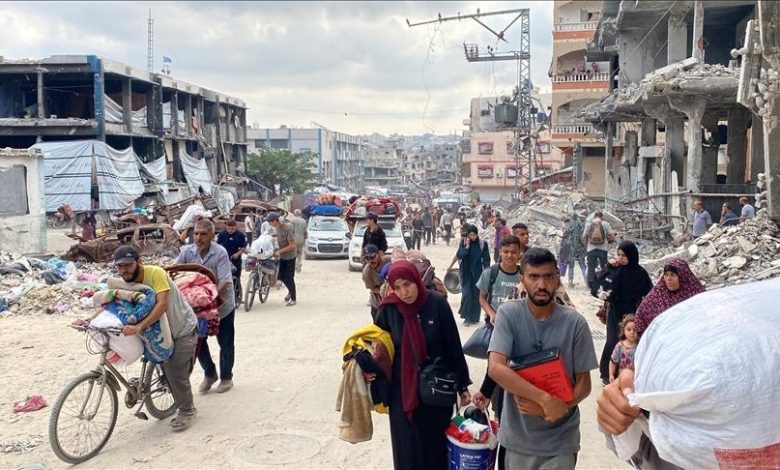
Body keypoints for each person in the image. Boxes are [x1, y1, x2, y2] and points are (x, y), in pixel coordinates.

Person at [487, 248, 598, 469]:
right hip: (517, 441)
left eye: (548, 276)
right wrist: (545, 400)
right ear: (522, 280)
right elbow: (496, 368)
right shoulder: (509, 314)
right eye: (533, 277)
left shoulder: (575, 324)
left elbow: (584, 384)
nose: (541, 284)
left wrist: (559, 407)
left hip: (560, 443)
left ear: (557, 278)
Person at [74, 246, 199, 431]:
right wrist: (88, 320)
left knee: (174, 372)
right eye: (120, 266)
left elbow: (162, 304)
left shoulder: (155, 273)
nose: (124, 270)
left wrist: (139, 326)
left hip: (181, 328)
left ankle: (187, 410)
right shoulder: (123, 282)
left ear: (139, 262)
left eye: (128, 265)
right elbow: (111, 303)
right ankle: (146, 384)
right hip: (156, 329)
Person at [374, 260, 472, 470]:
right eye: (397, 287)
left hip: (436, 387)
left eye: (407, 284)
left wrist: (462, 385)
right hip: (402, 390)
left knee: (435, 446)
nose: (404, 292)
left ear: (416, 280)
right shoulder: (388, 310)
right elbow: (379, 350)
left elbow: (452, 345)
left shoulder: (437, 303)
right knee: (406, 446)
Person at [176, 219, 236, 394]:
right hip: (196, 309)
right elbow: (175, 270)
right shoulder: (187, 252)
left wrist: (209, 298)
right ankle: (210, 373)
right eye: (196, 233)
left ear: (212, 235)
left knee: (225, 342)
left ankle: (226, 378)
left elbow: (225, 280)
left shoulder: (220, 253)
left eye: (203, 234)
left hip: (222, 306)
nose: (198, 237)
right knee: (197, 342)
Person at [472, 235, 524, 417]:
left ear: (520, 253)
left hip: (519, 330)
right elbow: (482, 298)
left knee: (517, 368)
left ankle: (514, 409)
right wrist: (491, 313)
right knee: (495, 369)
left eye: (513, 252)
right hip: (496, 328)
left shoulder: (524, 275)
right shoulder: (490, 273)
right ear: (500, 252)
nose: (509, 255)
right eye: (506, 251)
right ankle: (496, 410)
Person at [596, 241, 652, 385]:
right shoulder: (615, 270)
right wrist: (608, 267)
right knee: (612, 341)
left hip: (631, 313)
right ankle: (606, 373)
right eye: (619, 255)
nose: (620, 258)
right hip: (615, 311)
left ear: (631, 255)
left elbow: (650, 293)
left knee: (630, 342)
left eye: (624, 255)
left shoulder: (640, 273)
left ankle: (628, 373)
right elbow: (599, 285)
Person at [634, 258, 704, 337]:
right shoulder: (657, 295)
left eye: (672, 275)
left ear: (683, 277)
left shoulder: (695, 293)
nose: (668, 279)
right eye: (666, 275)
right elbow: (640, 315)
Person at [453, 224, 491, 326]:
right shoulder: (464, 242)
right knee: (467, 294)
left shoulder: (482, 244)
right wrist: (467, 247)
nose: (473, 237)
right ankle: (467, 318)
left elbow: (486, 259)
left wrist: (487, 272)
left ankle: (474, 317)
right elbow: (459, 255)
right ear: (468, 235)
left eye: (474, 235)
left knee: (476, 295)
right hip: (465, 273)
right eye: (471, 235)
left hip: (478, 274)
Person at [266, 212, 298, 307]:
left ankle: (293, 299)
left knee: (289, 277)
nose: (270, 224)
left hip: (290, 256)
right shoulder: (275, 229)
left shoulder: (287, 228)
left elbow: (292, 246)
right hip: (282, 256)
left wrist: (279, 252)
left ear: (276, 220)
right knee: (282, 277)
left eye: (270, 222)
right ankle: (290, 292)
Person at [582, 211, 615, 296]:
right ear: (602, 217)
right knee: (604, 267)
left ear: (594, 216)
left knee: (591, 268)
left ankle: (590, 286)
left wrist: (586, 246)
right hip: (603, 249)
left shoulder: (589, 224)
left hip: (591, 249)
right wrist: (611, 241)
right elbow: (611, 235)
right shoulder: (605, 224)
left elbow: (584, 236)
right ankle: (604, 284)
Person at [216, 219, 247, 302]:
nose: (230, 230)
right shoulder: (222, 234)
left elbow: (243, 248)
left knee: (236, 277)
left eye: (232, 229)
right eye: (228, 229)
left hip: (235, 259)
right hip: (224, 260)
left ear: (235, 227)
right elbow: (217, 245)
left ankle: (237, 296)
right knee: (223, 278)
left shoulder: (240, 235)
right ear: (226, 227)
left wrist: (238, 254)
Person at [362, 244, 391, 321]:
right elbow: (373, 288)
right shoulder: (367, 272)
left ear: (379, 254)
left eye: (372, 257)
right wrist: (385, 291)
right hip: (378, 305)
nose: (370, 261)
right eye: (367, 259)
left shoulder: (389, 261)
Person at [608, 314, 637, 383]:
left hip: (635, 381)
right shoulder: (620, 346)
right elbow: (613, 362)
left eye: (635, 330)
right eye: (629, 329)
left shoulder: (639, 347)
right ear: (624, 330)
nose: (632, 332)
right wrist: (611, 374)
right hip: (621, 379)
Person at [560, 216, 587, 288]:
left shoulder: (568, 228)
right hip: (581, 249)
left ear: (566, 222)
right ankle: (587, 283)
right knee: (582, 265)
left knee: (571, 265)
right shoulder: (581, 226)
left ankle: (570, 282)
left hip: (571, 249)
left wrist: (562, 252)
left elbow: (564, 242)